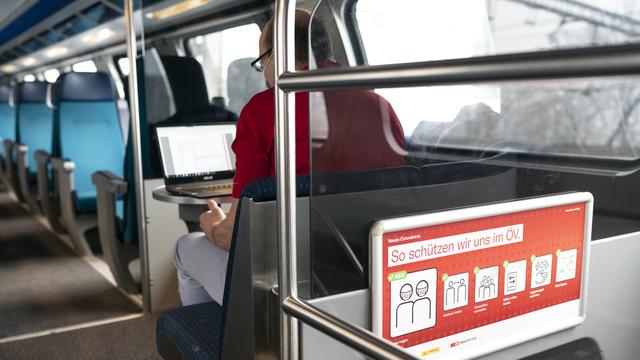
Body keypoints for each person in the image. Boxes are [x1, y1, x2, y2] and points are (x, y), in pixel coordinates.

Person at [173, 10, 405, 306]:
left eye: (261, 63)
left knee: (186, 246)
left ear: (275, 55)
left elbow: (235, 238)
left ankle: (225, 339)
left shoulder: (263, 110)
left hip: (286, 285)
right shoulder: (380, 105)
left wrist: (211, 224)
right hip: (366, 272)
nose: (265, 74)